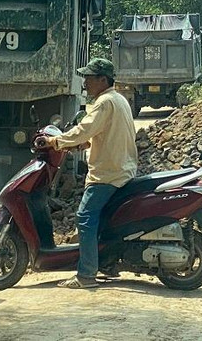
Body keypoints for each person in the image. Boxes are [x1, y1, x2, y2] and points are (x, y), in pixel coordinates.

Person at [39, 57, 137, 289]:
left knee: (84, 218)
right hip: (122, 169)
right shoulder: (119, 100)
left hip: (107, 174)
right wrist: (82, 145)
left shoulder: (103, 103)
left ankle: (86, 274)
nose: (85, 83)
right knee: (103, 220)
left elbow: (85, 129)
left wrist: (55, 141)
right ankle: (107, 262)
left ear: (103, 80)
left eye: (89, 78)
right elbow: (104, 133)